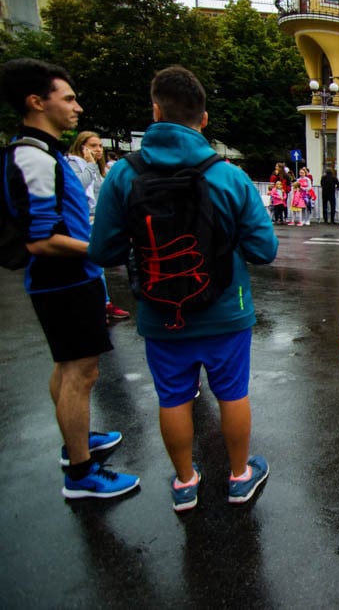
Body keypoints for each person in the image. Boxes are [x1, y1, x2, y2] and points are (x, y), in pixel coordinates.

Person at [89, 65, 278, 511]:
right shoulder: (227, 175)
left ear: (155, 110)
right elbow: (264, 249)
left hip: (160, 311)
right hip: (225, 309)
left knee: (173, 396)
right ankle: (238, 476)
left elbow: (104, 250)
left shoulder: (123, 174)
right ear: (204, 119)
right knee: (232, 393)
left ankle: (186, 482)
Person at [0, 57, 140, 498]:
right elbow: (41, 239)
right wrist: (104, 250)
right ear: (37, 102)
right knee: (82, 372)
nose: (77, 107)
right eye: (69, 98)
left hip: (61, 280)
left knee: (68, 368)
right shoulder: (35, 157)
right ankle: (81, 474)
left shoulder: (41, 153)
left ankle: (75, 443)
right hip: (64, 281)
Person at [67, 131, 130, 322]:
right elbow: (78, 187)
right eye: (93, 145)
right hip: (82, 220)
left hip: (97, 219)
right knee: (92, 264)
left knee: (96, 266)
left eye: (100, 146)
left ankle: (102, 303)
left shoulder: (100, 168)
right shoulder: (72, 165)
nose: (98, 150)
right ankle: (101, 305)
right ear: (81, 146)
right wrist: (90, 165)